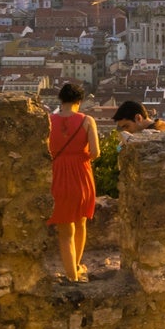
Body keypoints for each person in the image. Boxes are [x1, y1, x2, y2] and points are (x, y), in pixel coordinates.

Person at [48, 81, 100, 281]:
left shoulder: (49, 120)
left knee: (64, 231)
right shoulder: (87, 120)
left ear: (61, 100)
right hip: (81, 174)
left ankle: (72, 277)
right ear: (80, 101)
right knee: (81, 223)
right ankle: (77, 268)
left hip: (58, 174)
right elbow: (95, 152)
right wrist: (79, 155)